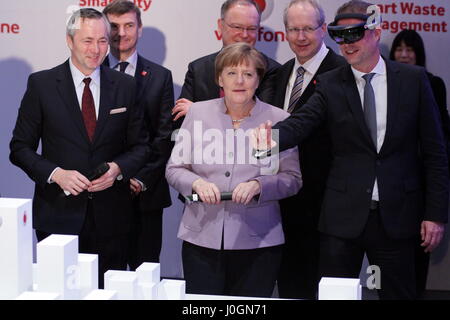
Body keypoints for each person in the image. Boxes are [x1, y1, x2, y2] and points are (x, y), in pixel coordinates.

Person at [253, 0, 448, 300]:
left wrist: (435, 214)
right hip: (342, 220)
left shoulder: (413, 81)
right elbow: (301, 123)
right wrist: (268, 139)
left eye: (354, 34)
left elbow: (435, 153)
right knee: (334, 295)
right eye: (339, 36)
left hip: (396, 218)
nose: (346, 43)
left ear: (376, 31)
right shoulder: (332, 83)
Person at [9, 8, 148, 288]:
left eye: (102, 41)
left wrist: (118, 169)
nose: (96, 49)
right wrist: (56, 173)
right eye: (87, 41)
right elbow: (19, 148)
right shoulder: (42, 85)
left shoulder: (126, 86)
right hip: (57, 218)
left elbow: (141, 146)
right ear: (70, 41)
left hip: (112, 219)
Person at [165, 43, 301, 297]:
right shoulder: (197, 113)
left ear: (258, 80)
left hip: (259, 242)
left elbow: (292, 179)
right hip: (201, 238)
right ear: (219, 78)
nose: (240, 81)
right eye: (231, 73)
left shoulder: (279, 119)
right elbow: (175, 169)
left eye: (248, 74)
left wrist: (260, 185)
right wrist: (197, 183)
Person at [271, 0, 347, 299]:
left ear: (324, 29)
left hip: (326, 205)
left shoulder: (343, 72)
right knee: (290, 285)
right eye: (293, 29)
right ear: (285, 33)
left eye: (308, 29)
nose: (301, 37)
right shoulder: (279, 73)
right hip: (282, 202)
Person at [103, 0, 174, 271]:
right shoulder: (91, 74)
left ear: (139, 29)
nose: (121, 33)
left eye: (129, 25)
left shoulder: (160, 77)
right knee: (106, 275)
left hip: (145, 194)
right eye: (114, 27)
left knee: (146, 273)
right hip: (103, 195)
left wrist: (139, 178)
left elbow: (164, 135)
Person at [389, 29, 450, 298]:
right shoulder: (382, 82)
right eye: (399, 49)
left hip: (422, 181)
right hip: (389, 181)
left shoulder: (432, 83)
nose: (403, 55)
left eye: (409, 49)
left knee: (419, 248)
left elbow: (440, 136)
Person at [172, 0, 280, 129]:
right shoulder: (198, 69)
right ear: (220, 25)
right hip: (203, 147)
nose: (245, 35)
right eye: (237, 27)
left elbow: (262, 123)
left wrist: (198, 112)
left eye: (251, 28)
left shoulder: (272, 71)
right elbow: (180, 122)